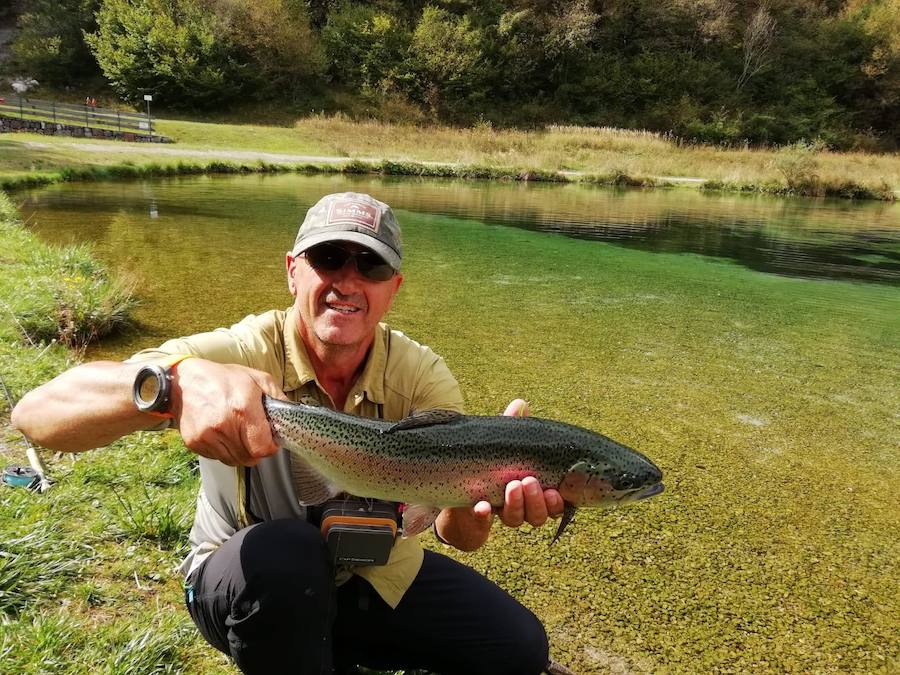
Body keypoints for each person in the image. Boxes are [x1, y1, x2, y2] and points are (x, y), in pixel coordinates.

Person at [12, 192, 564, 675]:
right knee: (288, 555)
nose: (347, 282)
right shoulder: (245, 348)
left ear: (393, 288)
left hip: (371, 574)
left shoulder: (423, 376)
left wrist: (483, 491)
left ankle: (325, 647)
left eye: (369, 267)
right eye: (328, 259)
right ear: (293, 271)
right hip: (250, 578)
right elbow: (36, 414)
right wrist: (175, 382)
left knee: (519, 648)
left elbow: (455, 534)